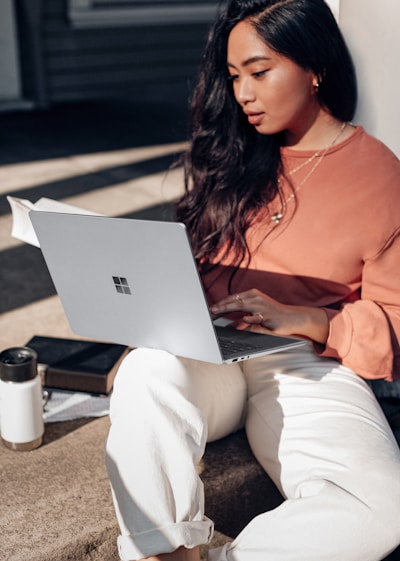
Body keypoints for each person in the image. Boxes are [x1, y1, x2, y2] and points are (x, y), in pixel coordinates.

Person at [105, 1, 400, 560]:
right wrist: (146, 324)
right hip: (207, 349)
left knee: (384, 505)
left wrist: (310, 320)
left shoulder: (382, 176)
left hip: (304, 363)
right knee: (146, 367)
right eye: (235, 76)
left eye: (259, 73)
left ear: (315, 68)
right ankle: (167, 552)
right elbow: (188, 271)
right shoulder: (234, 155)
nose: (242, 94)